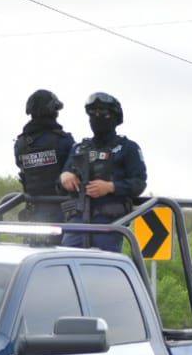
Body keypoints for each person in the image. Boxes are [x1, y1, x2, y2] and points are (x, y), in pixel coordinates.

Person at [60, 92, 147, 251]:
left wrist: (110, 187)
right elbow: (60, 183)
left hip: (109, 225)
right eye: (93, 114)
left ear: (114, 117)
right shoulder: (79, 148)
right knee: (64, 262)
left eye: (103, 114)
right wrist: (64, 177)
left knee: (102, 269)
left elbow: (139, 183)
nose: (97, 117)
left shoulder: (128, 148)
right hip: (77, 222)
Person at [13, 89, 75, 224]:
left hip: (33, 210)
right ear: (53, 111)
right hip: (62, 211)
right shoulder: (64, 141)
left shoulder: (21, 144)